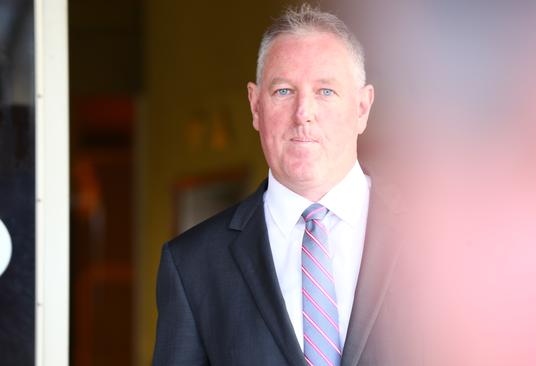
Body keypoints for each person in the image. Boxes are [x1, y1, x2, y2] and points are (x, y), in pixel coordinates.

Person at [153, 4, 414, 365]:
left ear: (362, 107)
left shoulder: (437, 244)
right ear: (255, 106)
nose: (303, 112)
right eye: (283, 91)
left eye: (325, 91)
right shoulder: (193, 266)